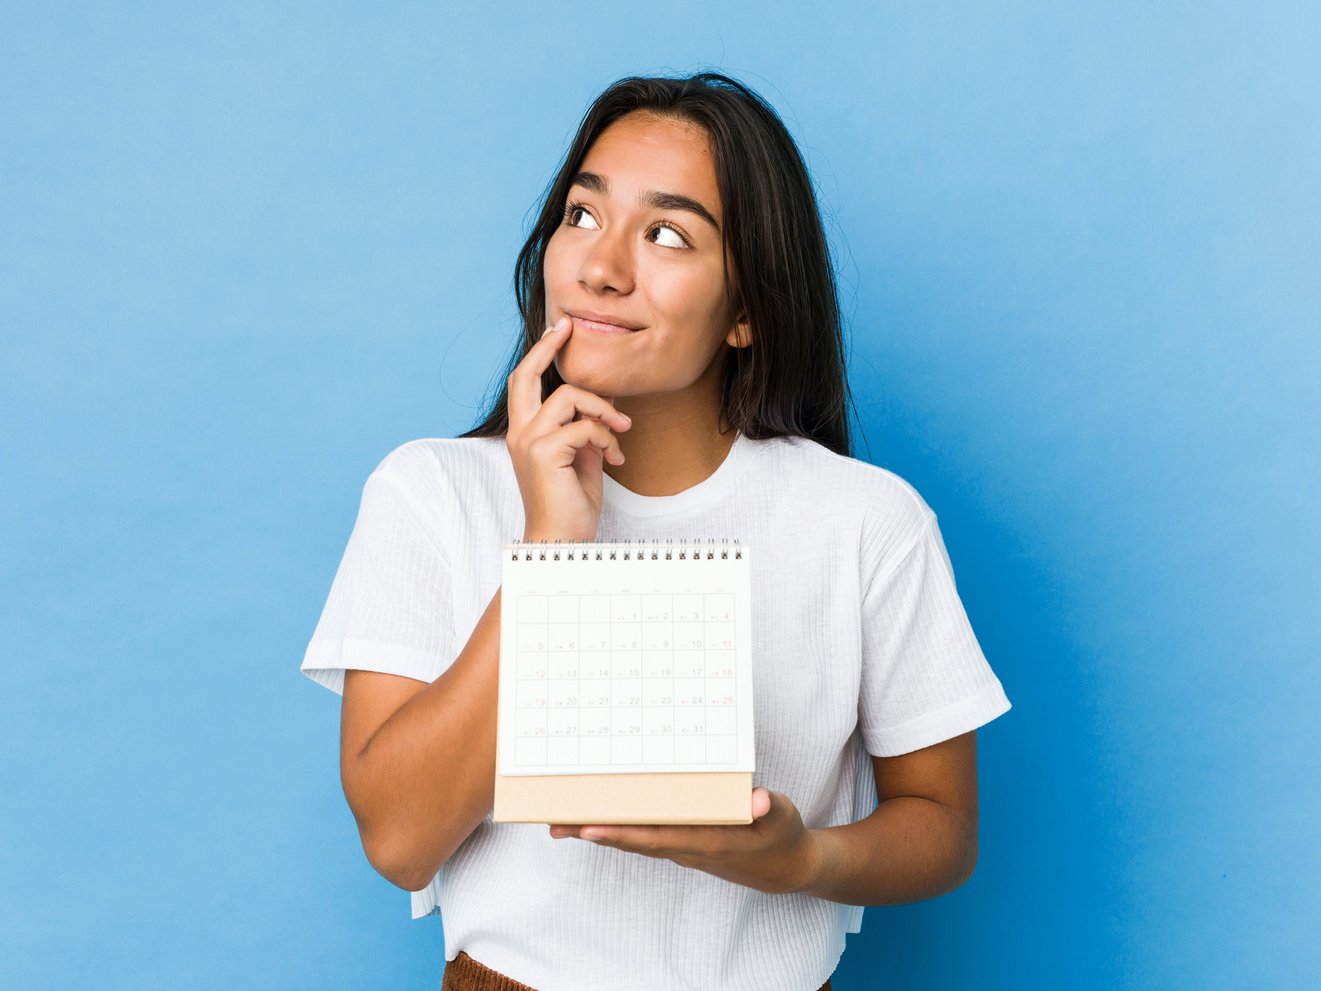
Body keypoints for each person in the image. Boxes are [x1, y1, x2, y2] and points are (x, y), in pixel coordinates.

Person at [301, 72, 1011, 991]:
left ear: (747, 310)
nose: (600, 267)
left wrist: (801, 859)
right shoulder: (432, 491)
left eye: (667, 234)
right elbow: (399, 840)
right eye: (581, 215)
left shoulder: (865, 520)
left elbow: (942, 824)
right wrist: (549, 550)